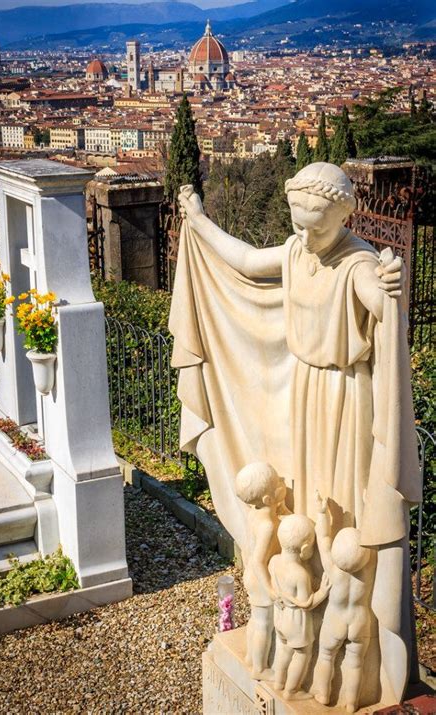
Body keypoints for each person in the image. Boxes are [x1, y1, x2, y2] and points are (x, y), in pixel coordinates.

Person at [172, 162, 420, 704]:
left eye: (318, 226)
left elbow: (380, 305)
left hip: (346, 402)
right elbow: (241, 258)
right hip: (306, 394)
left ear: (342, 216)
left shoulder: (356, 264)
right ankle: (302, 623)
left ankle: (341, 623)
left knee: (342, 502)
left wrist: (390, 290)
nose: (307, 235)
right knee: (307, 500)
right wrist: (198, 220)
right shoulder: (295, 252)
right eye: (299, 223)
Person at [314, 492, 376, 713]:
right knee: (355, 663)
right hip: (359, 620)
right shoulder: (368, 566)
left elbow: (323, 539)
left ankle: (322, 692)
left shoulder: (333, 567)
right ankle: (351, 703)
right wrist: (369, 505)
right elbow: (373, 535)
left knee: (325, 656)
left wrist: (322, 513)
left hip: (335, 619)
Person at [235, 461, 290, 678]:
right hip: (260, 579)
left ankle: (251, 657)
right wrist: (270, 589)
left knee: (255, 620)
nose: (283, 484)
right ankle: (260, 668)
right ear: (269, 499)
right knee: (263, 624)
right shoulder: (268, 526)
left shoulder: (254, 512)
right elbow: (259, 561)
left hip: (251, 575)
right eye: (279, 484)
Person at [268, 514, 330, 700]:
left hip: (280, 617)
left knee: (284, 649)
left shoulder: (274, 561)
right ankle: (292, 691)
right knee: (302, 653)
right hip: (296, 621)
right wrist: (323, 592)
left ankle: (279, 682)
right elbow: (307, 603)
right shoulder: (300, 574)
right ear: (304, 549)